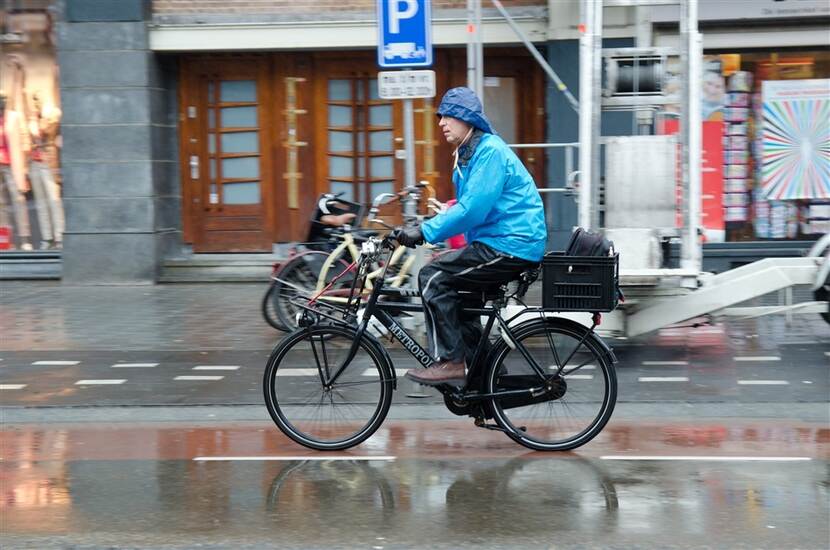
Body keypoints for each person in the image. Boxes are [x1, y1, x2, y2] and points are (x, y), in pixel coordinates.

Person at [392, 87, 547, 385]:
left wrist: (424, 231)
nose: (441, 123)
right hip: (501, 240)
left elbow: (473, 210)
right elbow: (477, 203)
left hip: (511, 243)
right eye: (440, 117)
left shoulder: (489, 151)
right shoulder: (469, 153)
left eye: (448, 116)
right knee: (459, 297)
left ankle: (450, 361)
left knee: (433, 276)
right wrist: (443, 213)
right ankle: (486, 374)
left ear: (467, 118)